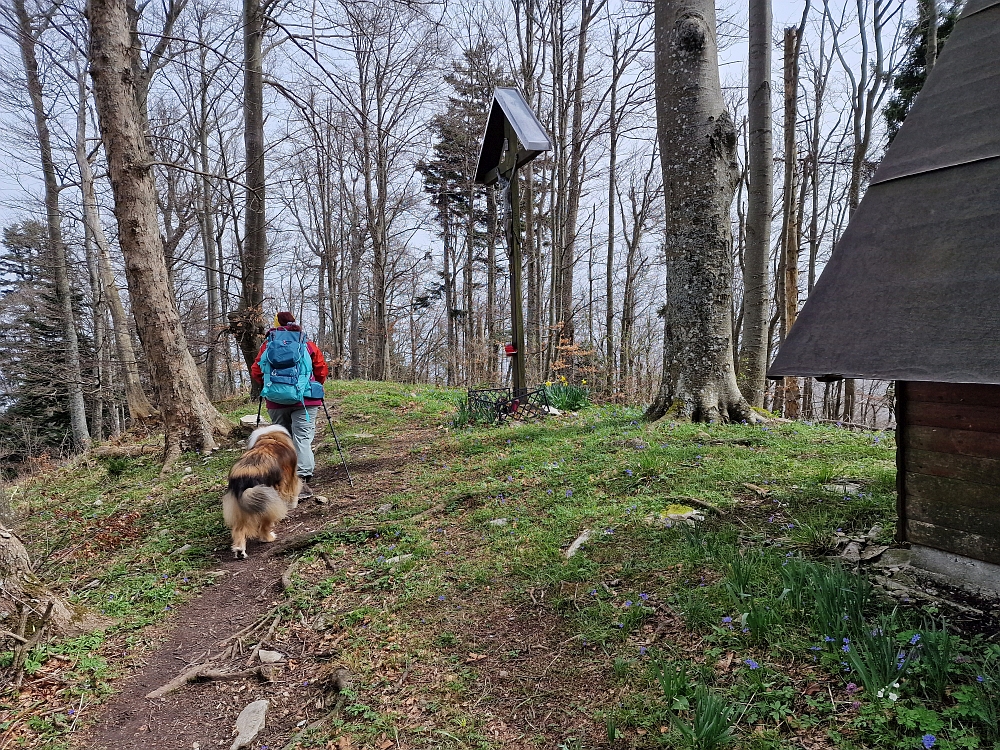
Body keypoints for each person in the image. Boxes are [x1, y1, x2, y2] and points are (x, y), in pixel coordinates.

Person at [251, 311, 329, 499]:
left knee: (284, 439)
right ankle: (301, 480)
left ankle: (286, 478)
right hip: (305, 399)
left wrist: (270, 387)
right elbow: (321, 368)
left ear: (276, 324)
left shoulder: (268, 344)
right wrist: (311, 384)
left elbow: (256, 370)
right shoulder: (305, 342)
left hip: (276, 401)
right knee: (302, 437)